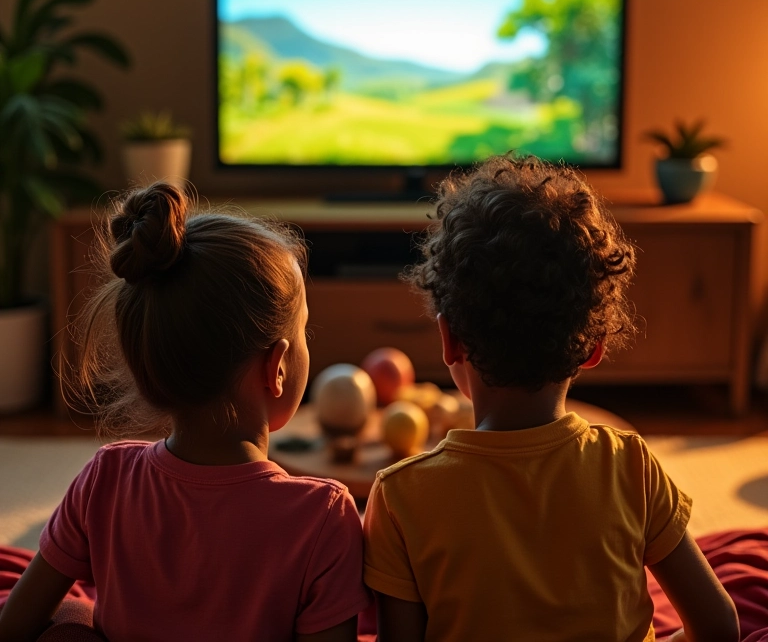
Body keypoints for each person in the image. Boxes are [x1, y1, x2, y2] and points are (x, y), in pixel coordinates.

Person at [362, 154, 739, 642]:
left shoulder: (399, 498)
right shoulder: (630, 465)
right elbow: (718, 626)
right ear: (594, 347)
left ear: (448, 338)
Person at [0, 183, 370, 642]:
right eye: (305, 332)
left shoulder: (106, 477)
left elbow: (14, 625)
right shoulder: (323, 516)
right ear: (277, 368)